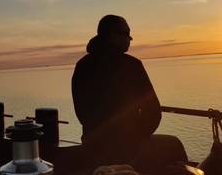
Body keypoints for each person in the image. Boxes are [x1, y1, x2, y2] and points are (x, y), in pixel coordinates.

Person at [72, 15, 187, 171]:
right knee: (174, 145)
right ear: (112, 35)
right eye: (126, 34)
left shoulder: (82, 66)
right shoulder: (132, 66)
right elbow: (153, 112)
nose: (130, 38)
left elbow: (81, 113)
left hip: (92, 148)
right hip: (128, 148)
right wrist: (135, 138)